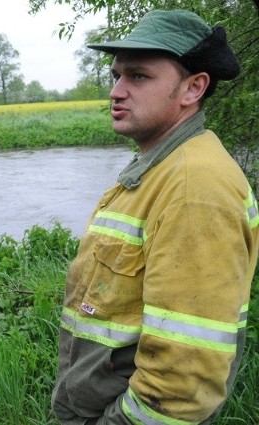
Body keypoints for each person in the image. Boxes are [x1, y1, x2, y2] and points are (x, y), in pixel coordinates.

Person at [51, 9, 259, 425]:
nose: (116, 91)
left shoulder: (194, 189)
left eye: (139, 77)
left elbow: (181, 385)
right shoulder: (163, 169)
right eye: (116, 76)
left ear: (193, 88)